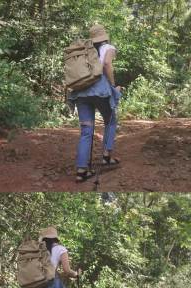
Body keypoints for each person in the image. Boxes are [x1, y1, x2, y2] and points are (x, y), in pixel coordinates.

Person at [67, 25, 123, 182]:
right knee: (111, 121)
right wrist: (113, 85)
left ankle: (82, 170)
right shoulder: (108, 47)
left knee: (86, 130)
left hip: (80, 92)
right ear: (105, 36)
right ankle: (106, 156)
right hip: (100, 91)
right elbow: (106, 64)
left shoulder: (84, 50)